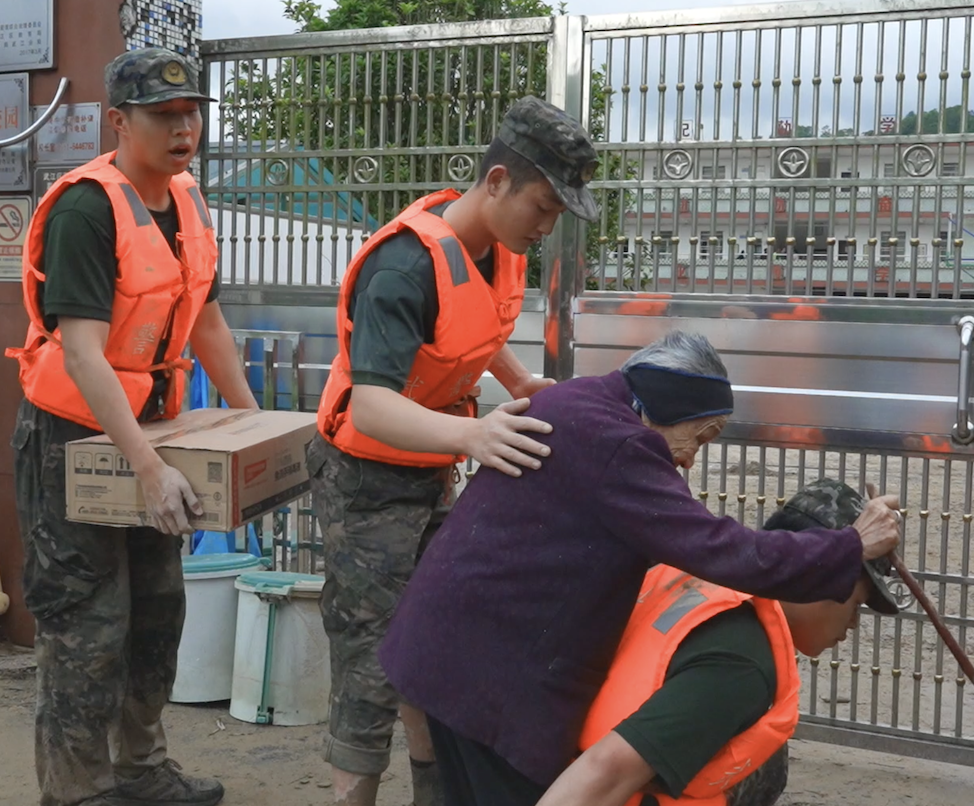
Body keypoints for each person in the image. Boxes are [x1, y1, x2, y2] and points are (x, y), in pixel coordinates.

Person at [378, 331, 903, 806]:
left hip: (446, 647)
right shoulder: (624, 445)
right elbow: (720, 550)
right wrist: (849, 546)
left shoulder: (574, 400)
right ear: (671, 405)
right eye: (700, 437)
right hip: (488, 675)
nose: (691, 459)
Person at [306, 95, 602, 806]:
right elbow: (374, 406)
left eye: (558, 211)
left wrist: (517, 379)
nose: (547, 223)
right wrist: (474, 433)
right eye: (543, 204)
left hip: (428, 469)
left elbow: (473, 326)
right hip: (364, 478)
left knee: (436, 644)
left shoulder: (496, 250)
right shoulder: (405, 265)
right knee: (374, 660)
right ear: (496, 181)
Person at [7, 48, 257, 806]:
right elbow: (82, 352)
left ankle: (142, 770)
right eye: (163, 116)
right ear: (119, 121)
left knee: (156, 612)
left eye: (191, 114)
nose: (184, 129)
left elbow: (204, 317)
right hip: (72, 440)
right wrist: (147, 468)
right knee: (88, 623)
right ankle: (78, 791)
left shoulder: (189, 200)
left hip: (157, 427)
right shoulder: (89, 206)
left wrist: (252, 423)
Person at [538, 478, 901, 806]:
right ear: (818, 579)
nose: (853, 624)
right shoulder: (741, 662)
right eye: (855, 604)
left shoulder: (704, 579)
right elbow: (606, 771)